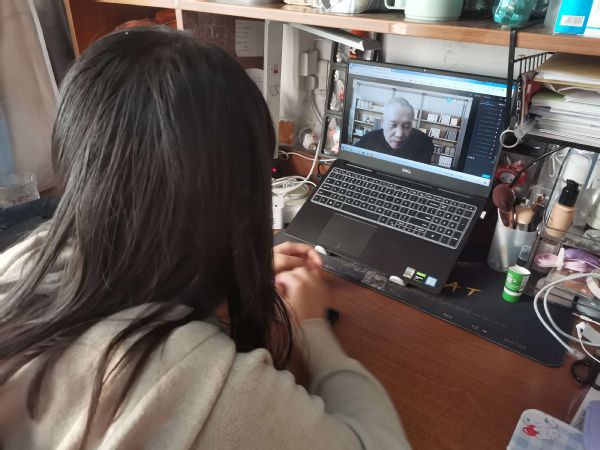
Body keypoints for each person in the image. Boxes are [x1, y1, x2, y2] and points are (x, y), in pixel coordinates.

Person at [0, 28, 410, 449]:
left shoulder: (25, 263)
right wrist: (312, 328)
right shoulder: (195, 382)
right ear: (239, 197)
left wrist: (228, 264)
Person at [357, 97, 434, 164]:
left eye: (406, 126)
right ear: (382, 122)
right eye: (393, 125)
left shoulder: (424, 143)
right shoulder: (368, 140)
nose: (399, 134)